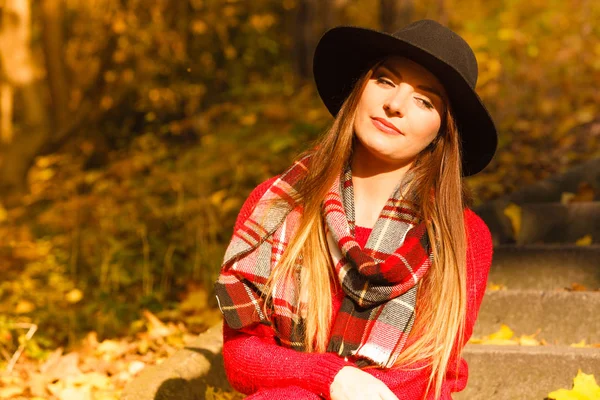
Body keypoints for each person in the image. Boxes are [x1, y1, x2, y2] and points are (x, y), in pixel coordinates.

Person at [214, 19, 497, 400]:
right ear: (359, 88)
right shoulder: (277, 206)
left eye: (424, 100)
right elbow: (242, 357)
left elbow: (426, 375)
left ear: (443, 131)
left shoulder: (462, 236)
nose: (394, 105)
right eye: (385, 81)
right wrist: (331, 377)